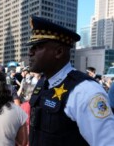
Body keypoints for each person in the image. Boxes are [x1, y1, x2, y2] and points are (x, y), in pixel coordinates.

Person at [26, 16, 114, 146]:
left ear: (59, 52)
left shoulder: (85, 91)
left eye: (37, 47)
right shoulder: (43, 82)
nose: (30, 52)